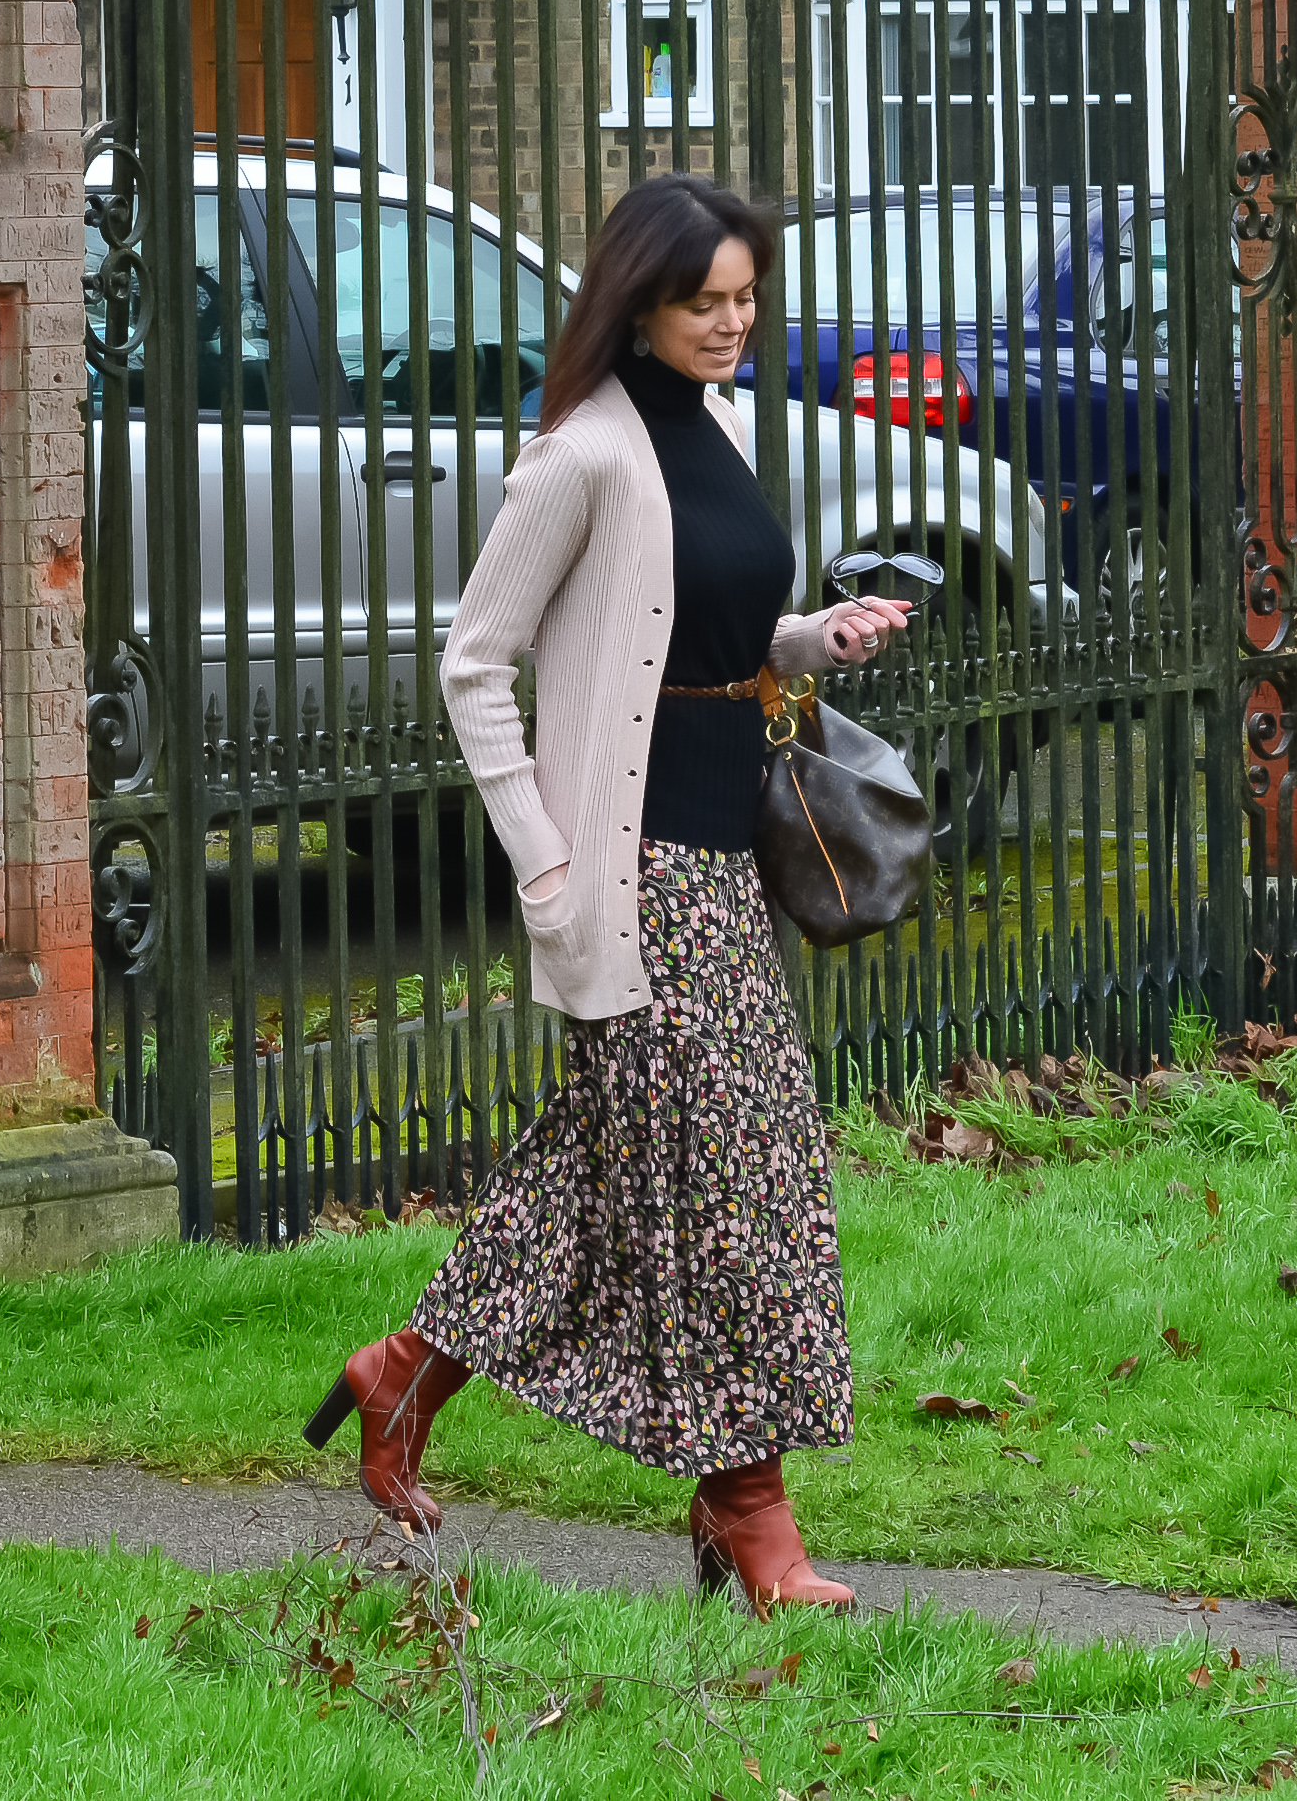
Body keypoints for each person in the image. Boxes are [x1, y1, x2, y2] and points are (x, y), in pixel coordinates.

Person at [302, 170, 911, 1615]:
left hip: (719, 861)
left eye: (746, 298)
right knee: (738, 1182)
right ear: (636, 299)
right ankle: (753, 1523)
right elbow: (472, 663)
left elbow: (691, 625)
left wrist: (817, 638)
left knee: (601, 1175)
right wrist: (548, 855)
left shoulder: (719, 426)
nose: (730, 322)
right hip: (632, 876)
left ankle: (397, 1380)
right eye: (703, 301)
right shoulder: (578, 452)